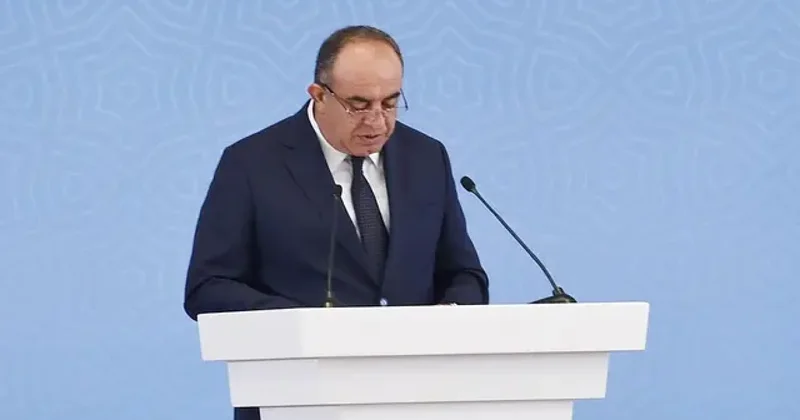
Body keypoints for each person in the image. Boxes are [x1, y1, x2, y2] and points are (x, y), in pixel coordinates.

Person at [183, 25, 489, 420]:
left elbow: (464, 272)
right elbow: (208, 287)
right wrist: (299, 324)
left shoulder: (427, 157)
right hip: (295, 396)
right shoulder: (251, 164)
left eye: (390, 103)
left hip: (416, 396)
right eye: (359, 105)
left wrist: (450, 314)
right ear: (319, 95)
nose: (377, 122)